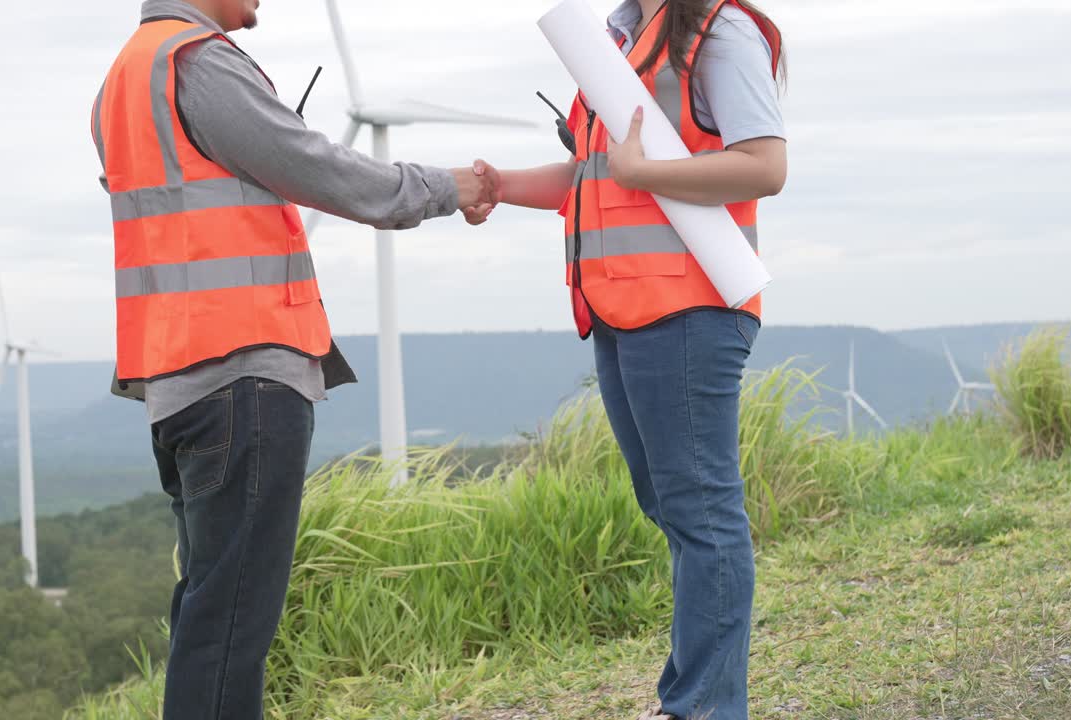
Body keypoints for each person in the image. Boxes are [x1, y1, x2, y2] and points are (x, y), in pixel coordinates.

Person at [90, 1, 497, 718]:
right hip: (240, 373)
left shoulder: (126, 77)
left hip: (176, 378)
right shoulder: (200, 62)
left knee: (208, 612)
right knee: (232, 622)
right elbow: (320, 168)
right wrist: (448, 186)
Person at [476, 1, 786, 718]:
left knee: (702, 513)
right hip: (623, 310)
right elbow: (598, 174)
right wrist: (500, 185)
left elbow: (765, 165)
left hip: (688, 306)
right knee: (677, 509)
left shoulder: (720, 30)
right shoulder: (618, 39)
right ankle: (699, 696)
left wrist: (643, 171)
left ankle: (704, 706)